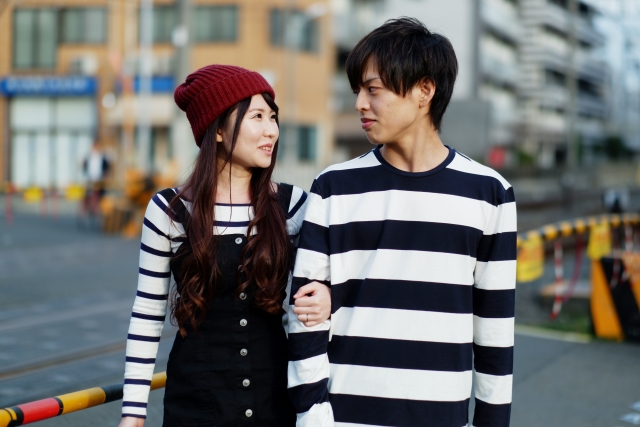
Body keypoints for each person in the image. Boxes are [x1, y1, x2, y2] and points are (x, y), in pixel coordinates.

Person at [287, 18, 517, 427]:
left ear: (424, 91)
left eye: (373, 89)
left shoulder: (489, 193)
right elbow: (304, 317)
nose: (360, 103)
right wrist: (312, 415)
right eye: (358, 91)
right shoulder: (333, 188)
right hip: (343, 418)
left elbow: (495, 328)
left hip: (442, 416)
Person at [117, 65, 331, 427]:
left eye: (273, 117)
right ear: (217, 130)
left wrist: (327, 293)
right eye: (257, 116)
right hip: (195, 404)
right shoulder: (170, 210)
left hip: (274, 400)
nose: (271, 130)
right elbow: (147, 313)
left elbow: (336, 273)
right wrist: (134, 412)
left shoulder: (293, 206)